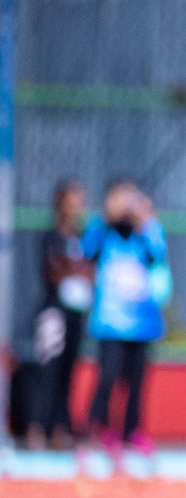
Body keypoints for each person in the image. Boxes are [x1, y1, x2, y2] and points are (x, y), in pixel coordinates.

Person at [83, 178, 170, 460]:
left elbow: (159, 256)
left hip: (142, 323)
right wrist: (108, 215)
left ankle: (131, 432)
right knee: (107, 377)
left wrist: (145, 221)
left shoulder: (147, 231)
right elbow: (87, 252)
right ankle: (98, 429)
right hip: (110, 320)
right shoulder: (102, 229)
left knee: (136, 381)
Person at [29, 180, 92, 449]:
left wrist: (75, 268)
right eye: (74, 197)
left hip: (76, 313)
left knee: (68, 371)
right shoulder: (52, 236)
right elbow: (54, 272)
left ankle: (59, 428)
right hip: (54, 312)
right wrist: (75, 269)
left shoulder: (82, 236)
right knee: (49, 371)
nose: (80, 203)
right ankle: (36, 428)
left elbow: (91, 271)